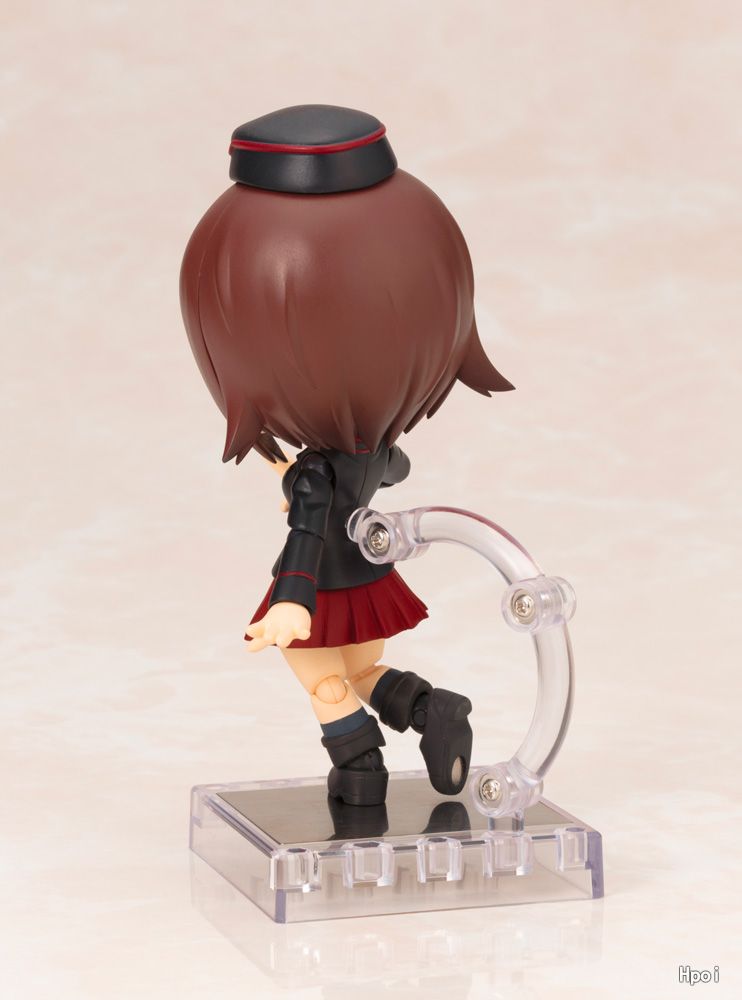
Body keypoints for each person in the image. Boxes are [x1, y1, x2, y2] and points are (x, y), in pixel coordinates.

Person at [180, 105, 513, 805]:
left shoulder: (316, 473)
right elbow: (393, 471)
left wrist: (291, 602)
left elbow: (308, 529)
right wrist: (297, 476)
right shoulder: (373, 451)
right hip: (369, 574)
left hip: (321, 589)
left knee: (324, 682)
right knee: (362, 673)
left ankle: (360, 776)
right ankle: (429, 708)